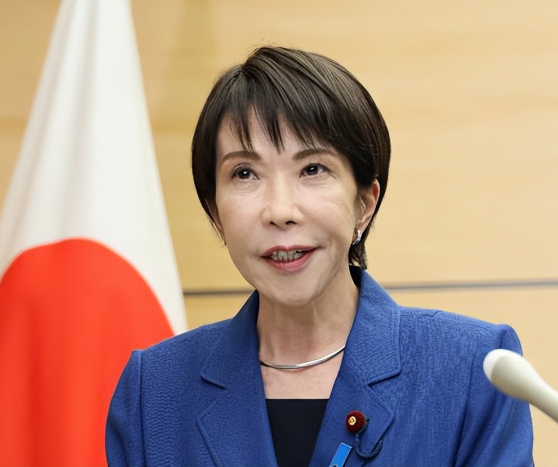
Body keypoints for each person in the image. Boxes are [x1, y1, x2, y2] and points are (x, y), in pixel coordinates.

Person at [106, 46, 533, 466]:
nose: (280, 211)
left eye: (312, 169)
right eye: (245, 173)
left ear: (365, 203)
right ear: (216, 213)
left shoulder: (473, 370)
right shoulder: (154, 391)